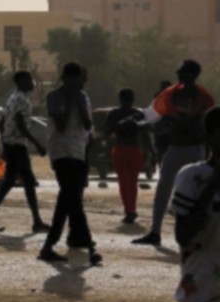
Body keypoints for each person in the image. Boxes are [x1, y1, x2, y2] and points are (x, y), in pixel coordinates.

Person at [170, 107, 220, 302]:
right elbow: (182, 234)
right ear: (209, 136)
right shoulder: (192, 176)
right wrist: (214, 184)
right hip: (200, 285)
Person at [135, 60, 215, 246]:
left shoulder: (203, 98)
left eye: (183, 73)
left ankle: (199, 231)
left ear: (193, 75)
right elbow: (163, 118)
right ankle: (155, 231)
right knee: (163, 189)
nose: (179, 76)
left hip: (194, 148)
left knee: (197, 191)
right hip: (176, 146)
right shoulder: (171, 94)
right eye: (180, 73)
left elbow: (204, 125)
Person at [38, 63, 101, 266]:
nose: (77, 83)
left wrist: (79, 101)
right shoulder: (53, 96)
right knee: (70, 197)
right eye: (73, 79)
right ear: (64, 78)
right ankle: (88, 246)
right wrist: (72, 99)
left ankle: (49, 245)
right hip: (60, 149)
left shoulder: (83, 97)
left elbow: (88, 125)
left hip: (78, 151)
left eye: (79, 79)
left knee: (68, 198)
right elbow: (62, 125)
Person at [0, 72, 50, 234]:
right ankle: (35, 221)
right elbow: (20, 124)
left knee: (15, 182)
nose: (32, 82)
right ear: (21, 81)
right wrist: (38, 144)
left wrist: (5, 141)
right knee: (23, 182)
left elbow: (4, 121)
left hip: (13, 144)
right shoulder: (22, 100)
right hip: (17, 145)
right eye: (29, 79)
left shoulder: (13, 97)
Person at [106, 88, 148, 224]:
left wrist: (119, 126)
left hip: (120, 149)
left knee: (124, 182)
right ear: (133, 99)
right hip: (135, 150)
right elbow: (145, 134)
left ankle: (129, 210)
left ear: (120, 99)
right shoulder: (138, 114)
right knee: (133, 182)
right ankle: (131, 209)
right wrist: (149, 152)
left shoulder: (114, 113)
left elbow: (107, 132)